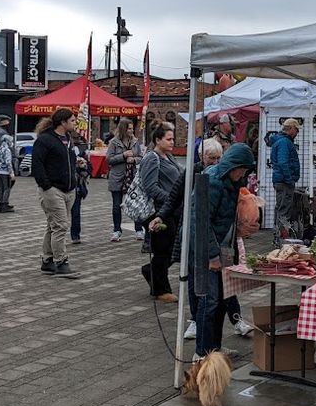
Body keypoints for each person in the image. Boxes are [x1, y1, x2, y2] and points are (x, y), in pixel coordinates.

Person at [188, 142, 255, 360]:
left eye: (245, 171)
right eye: (241, 170)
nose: (242, 174)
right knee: (210, 301)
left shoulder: (234, 183)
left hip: (223, 248)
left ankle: (214, 349)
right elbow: (200, 221)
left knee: (221, 301)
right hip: (206, 250)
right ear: (232, 166)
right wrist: (212, 255)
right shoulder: (213, 182)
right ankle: (202, 353)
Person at [31, 108, 78, 276]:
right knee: (61, 226)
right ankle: (61, 261)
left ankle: (47, 260)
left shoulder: (68, 139)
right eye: (72, 120)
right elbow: (37, 164)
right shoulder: (45, 140)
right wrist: (46, 185)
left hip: (69, 189)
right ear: (62, 122)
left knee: (53, 226)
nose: (75, 123)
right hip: (52, 190)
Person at [138, 121, 181, 299]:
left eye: (173, 139)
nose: (172, 142)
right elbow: (150, 187)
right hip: (157, 211)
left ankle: (151, 271)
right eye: (169, 139)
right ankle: (161, 289)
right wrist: (171, 199)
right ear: (158, 140)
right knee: (164, 249)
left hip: (171, 210)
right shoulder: (151, 158)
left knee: (173, 248)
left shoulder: (168, 157)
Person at [105, 118, 142, 242]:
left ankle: (139, 230)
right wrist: (123, 156)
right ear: (123, 129)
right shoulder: (114, 142)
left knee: (136, 204)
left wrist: (135, 159)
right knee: (116, 205)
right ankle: (117, 230)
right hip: (117, 177)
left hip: (132, 176)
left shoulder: (135, 142)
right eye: (129, 128)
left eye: (132, 128)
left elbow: (141, 157)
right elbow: (109, 159)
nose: (131, 131)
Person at [266, 117, 301, 245]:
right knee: (284, 211)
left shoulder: (280, 141)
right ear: (291, 129)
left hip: (281, 181)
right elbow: (283, 162)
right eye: (296, 129)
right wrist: (290, 180)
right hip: (284, 182)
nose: (297, 133)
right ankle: (281, 239)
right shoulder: (284, 143)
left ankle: (278, 238)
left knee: (280, 209)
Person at [70, 129, 89, 244]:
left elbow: (88, 169)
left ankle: (75, 235)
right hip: (63, 184)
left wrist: (83, 168)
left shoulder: (82, 151)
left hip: (77, 185)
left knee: (76, 212)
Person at [0, 131, 16, 212]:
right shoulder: (7, 150)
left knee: (0, 188)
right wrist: (12, 174)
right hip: (5, 172)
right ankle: (4, 204)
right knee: (7, 188)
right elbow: (8, 162)